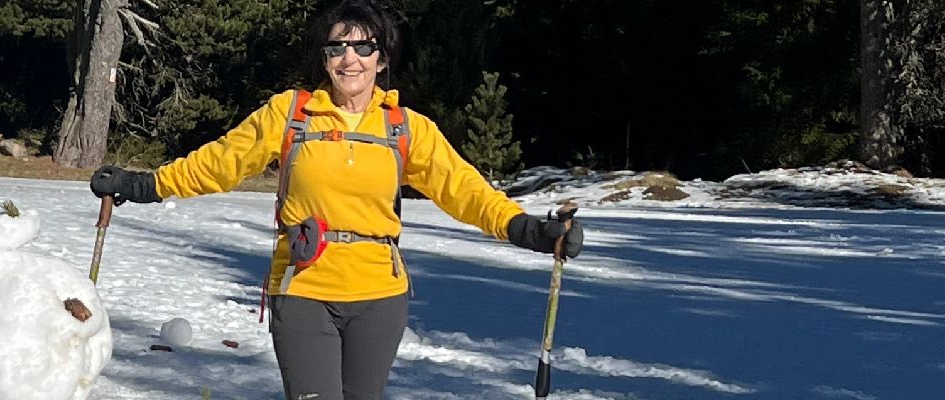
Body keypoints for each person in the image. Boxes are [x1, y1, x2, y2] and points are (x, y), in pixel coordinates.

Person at [87, 1, 584, 398]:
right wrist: (145, 186)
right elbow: (220, 162)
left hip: (379, 295)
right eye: (336, 48)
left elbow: (466, 190)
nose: (350, 59)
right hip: (303, 287)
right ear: (324, 59)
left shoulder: (405, 127)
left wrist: (527, 230)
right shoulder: (292, 114)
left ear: (381, 58)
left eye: (363, 47)